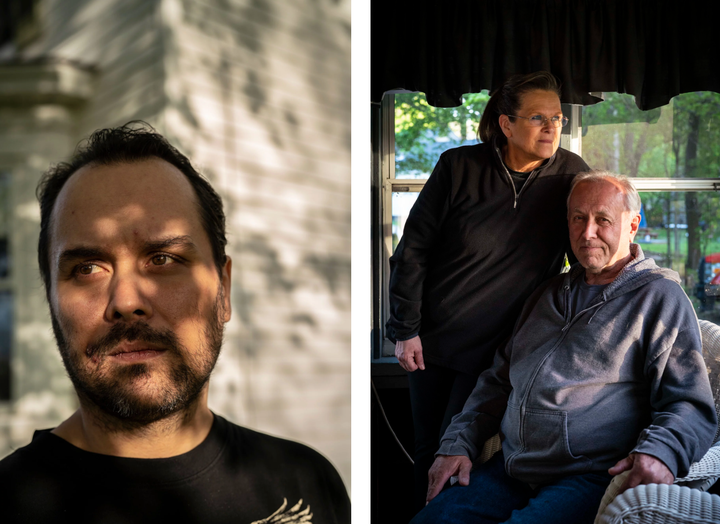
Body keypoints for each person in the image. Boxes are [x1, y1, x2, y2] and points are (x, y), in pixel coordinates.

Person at [0, 123, 350, 524]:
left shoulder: (306, 480)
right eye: (87, 268)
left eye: (163, 259)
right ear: (51, 301)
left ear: (224, 291)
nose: (127, 302)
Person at [411, 171, 717, 524]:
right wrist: (457, 442)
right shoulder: (548, 293)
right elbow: (498, 381)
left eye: (603, 220)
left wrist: (662, 452)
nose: (588, 233)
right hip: (510, 469)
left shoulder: (659, 298)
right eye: (578, 218)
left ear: (632, 225)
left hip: (588, 476)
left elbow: (690, 403)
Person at [386, 71, 590, 509]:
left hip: (502, 349)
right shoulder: (458, 167)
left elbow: (590, 250)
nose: (552, 127)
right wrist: (405, 329)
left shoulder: (571, 174)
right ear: (505, 124)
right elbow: (412, 252)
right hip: (433, 339)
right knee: (427, 450)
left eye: (556, 117)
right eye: (538, 117)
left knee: (459, 451)